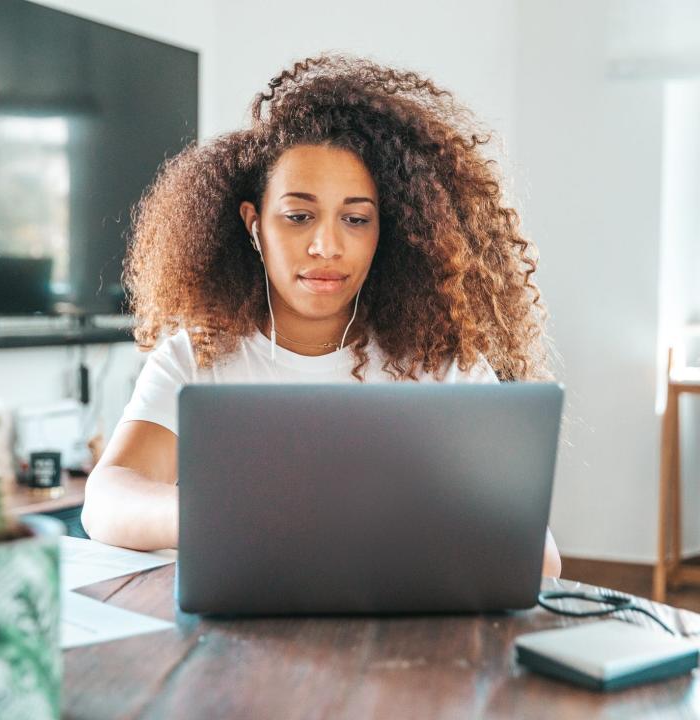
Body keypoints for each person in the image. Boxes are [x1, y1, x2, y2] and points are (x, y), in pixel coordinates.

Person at [81, 53, 562, 577]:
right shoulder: (198, 355)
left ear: (387, 232)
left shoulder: (441, 366)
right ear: (254, 225)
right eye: (298, 216)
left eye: (355, 219)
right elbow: (105, 499)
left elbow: (541, 560)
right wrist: (218, 515)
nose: (325, 246)